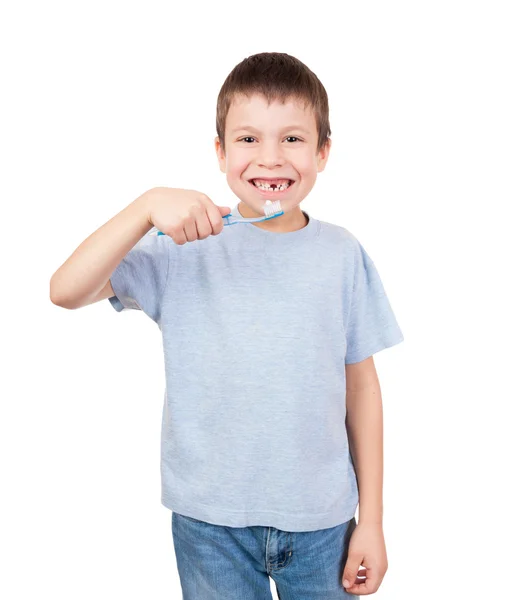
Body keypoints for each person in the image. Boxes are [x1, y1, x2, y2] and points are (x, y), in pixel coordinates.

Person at [50, 52, 404, 599]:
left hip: (324, 522)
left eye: (292, 139)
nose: (271, 157)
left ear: (323, 151)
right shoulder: (182, 246)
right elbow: (65, 290)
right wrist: (144, 206)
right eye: (247, 139)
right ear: (219, 152)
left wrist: (374, 520)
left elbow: (362, 388)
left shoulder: (341, 254)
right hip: (207, 523)